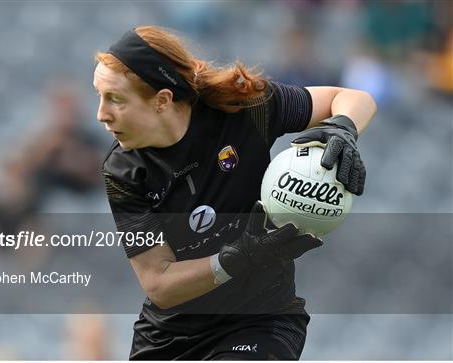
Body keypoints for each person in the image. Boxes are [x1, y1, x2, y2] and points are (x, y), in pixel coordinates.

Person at [95, 26, 376, 360]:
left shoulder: (245, 108)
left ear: (162, 100)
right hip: (169, 338)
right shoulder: (123, 172)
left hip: (260, 321)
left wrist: (343, 128)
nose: (101, 114)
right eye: (99, 96)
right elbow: (160, 284)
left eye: (115, 99)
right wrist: (240, 256)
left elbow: (354, 99)